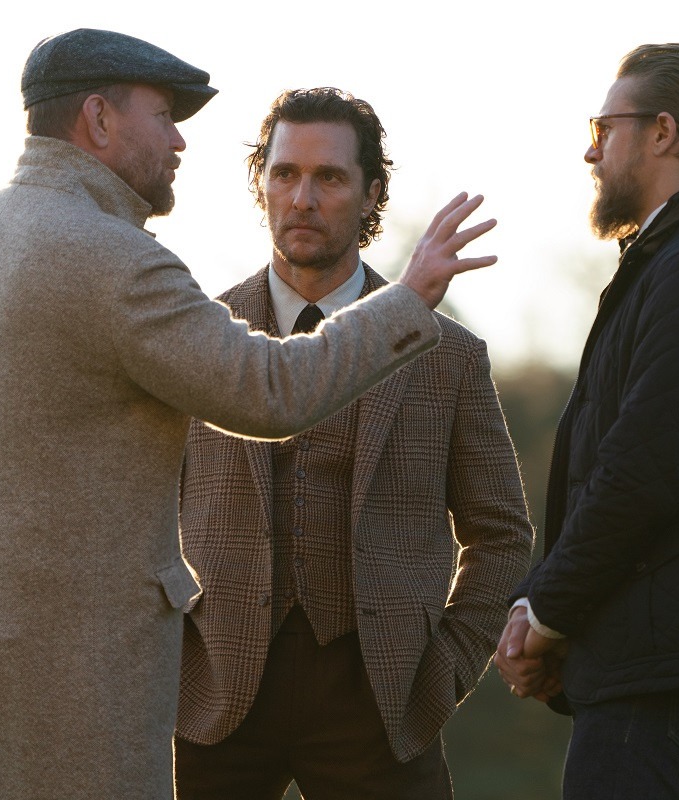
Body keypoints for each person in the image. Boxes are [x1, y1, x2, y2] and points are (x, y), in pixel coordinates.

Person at [0, 30, 497, 800]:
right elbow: (271, 392)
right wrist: (408, 299)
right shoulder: (119, 262)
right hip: (87, 693)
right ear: (99, 119)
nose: (178, 141)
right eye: (164, 115)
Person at [171, 86, 533, 800]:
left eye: (329, 177)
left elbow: (501, 535)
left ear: (371, 195)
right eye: (284, 173)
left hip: (380, 698)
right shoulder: (199, 337)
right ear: (261, 185)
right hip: (216, 692)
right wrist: (169, 657)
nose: (302, 198)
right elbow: (133, 518)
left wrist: (444, 671)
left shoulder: (448, 356)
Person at [494, 43, 679, 799]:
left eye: (604, 128)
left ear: (663, 132)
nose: (591, 151)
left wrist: (547, 609)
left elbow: (641, 472)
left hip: (664, 676)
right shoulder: (672, 260)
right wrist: (556, 613)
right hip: (643, 663)